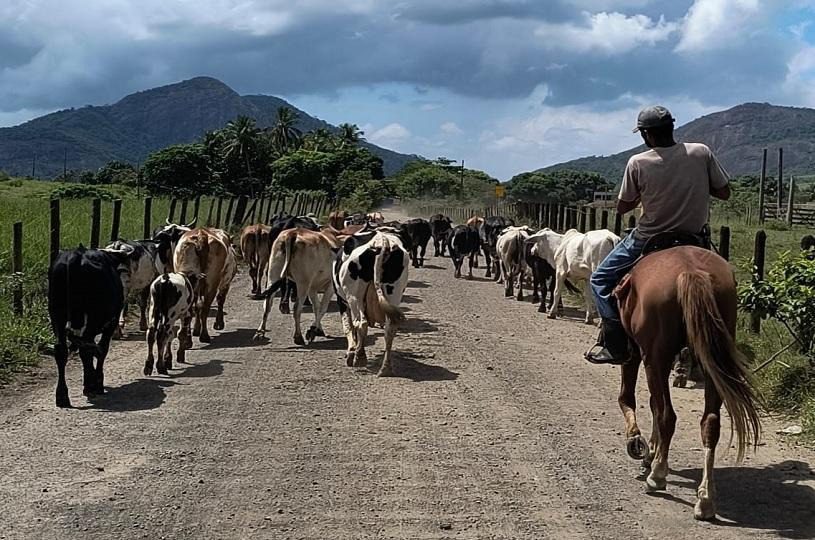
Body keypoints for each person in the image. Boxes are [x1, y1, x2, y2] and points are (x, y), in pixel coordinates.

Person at [585, 105, 732, 365]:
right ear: (672, 127)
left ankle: (615, 343)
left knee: (599, 279)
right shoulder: (701, 152)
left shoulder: (638, 162)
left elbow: (622, 207)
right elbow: (724, 192)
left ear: (645, 135)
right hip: (694, 237)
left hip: (648, 239)